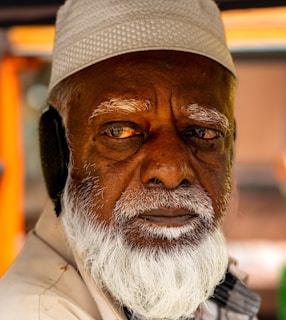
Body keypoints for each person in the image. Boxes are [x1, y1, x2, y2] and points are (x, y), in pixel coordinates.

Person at [0, 0, 260, 319]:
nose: (170, 170)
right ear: (59, 153)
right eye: (121, 131)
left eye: (202, 132)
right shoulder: (33, 311)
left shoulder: (204, 284)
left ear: (230, 151)